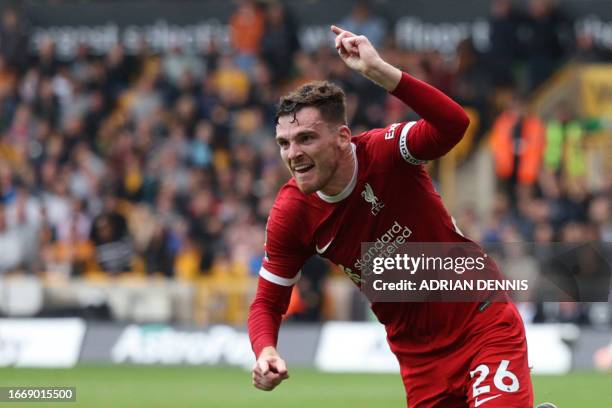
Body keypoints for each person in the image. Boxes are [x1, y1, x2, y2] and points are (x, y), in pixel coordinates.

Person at [248, 26, 534, 407]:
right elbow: (268, 302)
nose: (292, 153)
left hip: (480, 323)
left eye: (306, 139)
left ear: (343, 137)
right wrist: (265, 349)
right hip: (419, 360)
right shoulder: (291, 214)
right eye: (284, 143)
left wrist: (380, 71)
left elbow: (454, 125)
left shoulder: (387, 153)